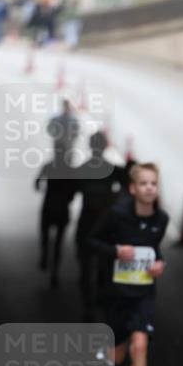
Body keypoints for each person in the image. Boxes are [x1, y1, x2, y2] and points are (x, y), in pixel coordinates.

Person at [88, 163, 168, 366]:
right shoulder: (116, 215)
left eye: (153, 184)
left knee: (139, 346)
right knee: (118, 355)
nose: (149, 188)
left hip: (143, 294)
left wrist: (160, 263)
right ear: (133, 189)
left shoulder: (162, 219)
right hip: (116, 294)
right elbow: (90, 242)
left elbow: (155, 251)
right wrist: (115, 251)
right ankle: (104, 356)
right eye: (144, 183)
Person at [75, 130, 125, 320]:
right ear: (105, 146)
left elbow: (72, 192)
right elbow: (128, 187)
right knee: (105, 267)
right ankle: (100, 301)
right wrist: (111, 200)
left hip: (87, 222)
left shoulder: (82, 169)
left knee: (86, 267)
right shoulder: (113, 170)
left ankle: (89, 306)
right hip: (105, 226)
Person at [35, 158, 77, 288]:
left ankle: (44, 255)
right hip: (62, 208)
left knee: (45, 236)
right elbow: (74, 190)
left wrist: (44, 190)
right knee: (59, 242)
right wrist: (67, 198)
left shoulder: (49, 166)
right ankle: (55, 272)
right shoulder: (70, 170)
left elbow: (37, 183)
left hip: (48, 205)